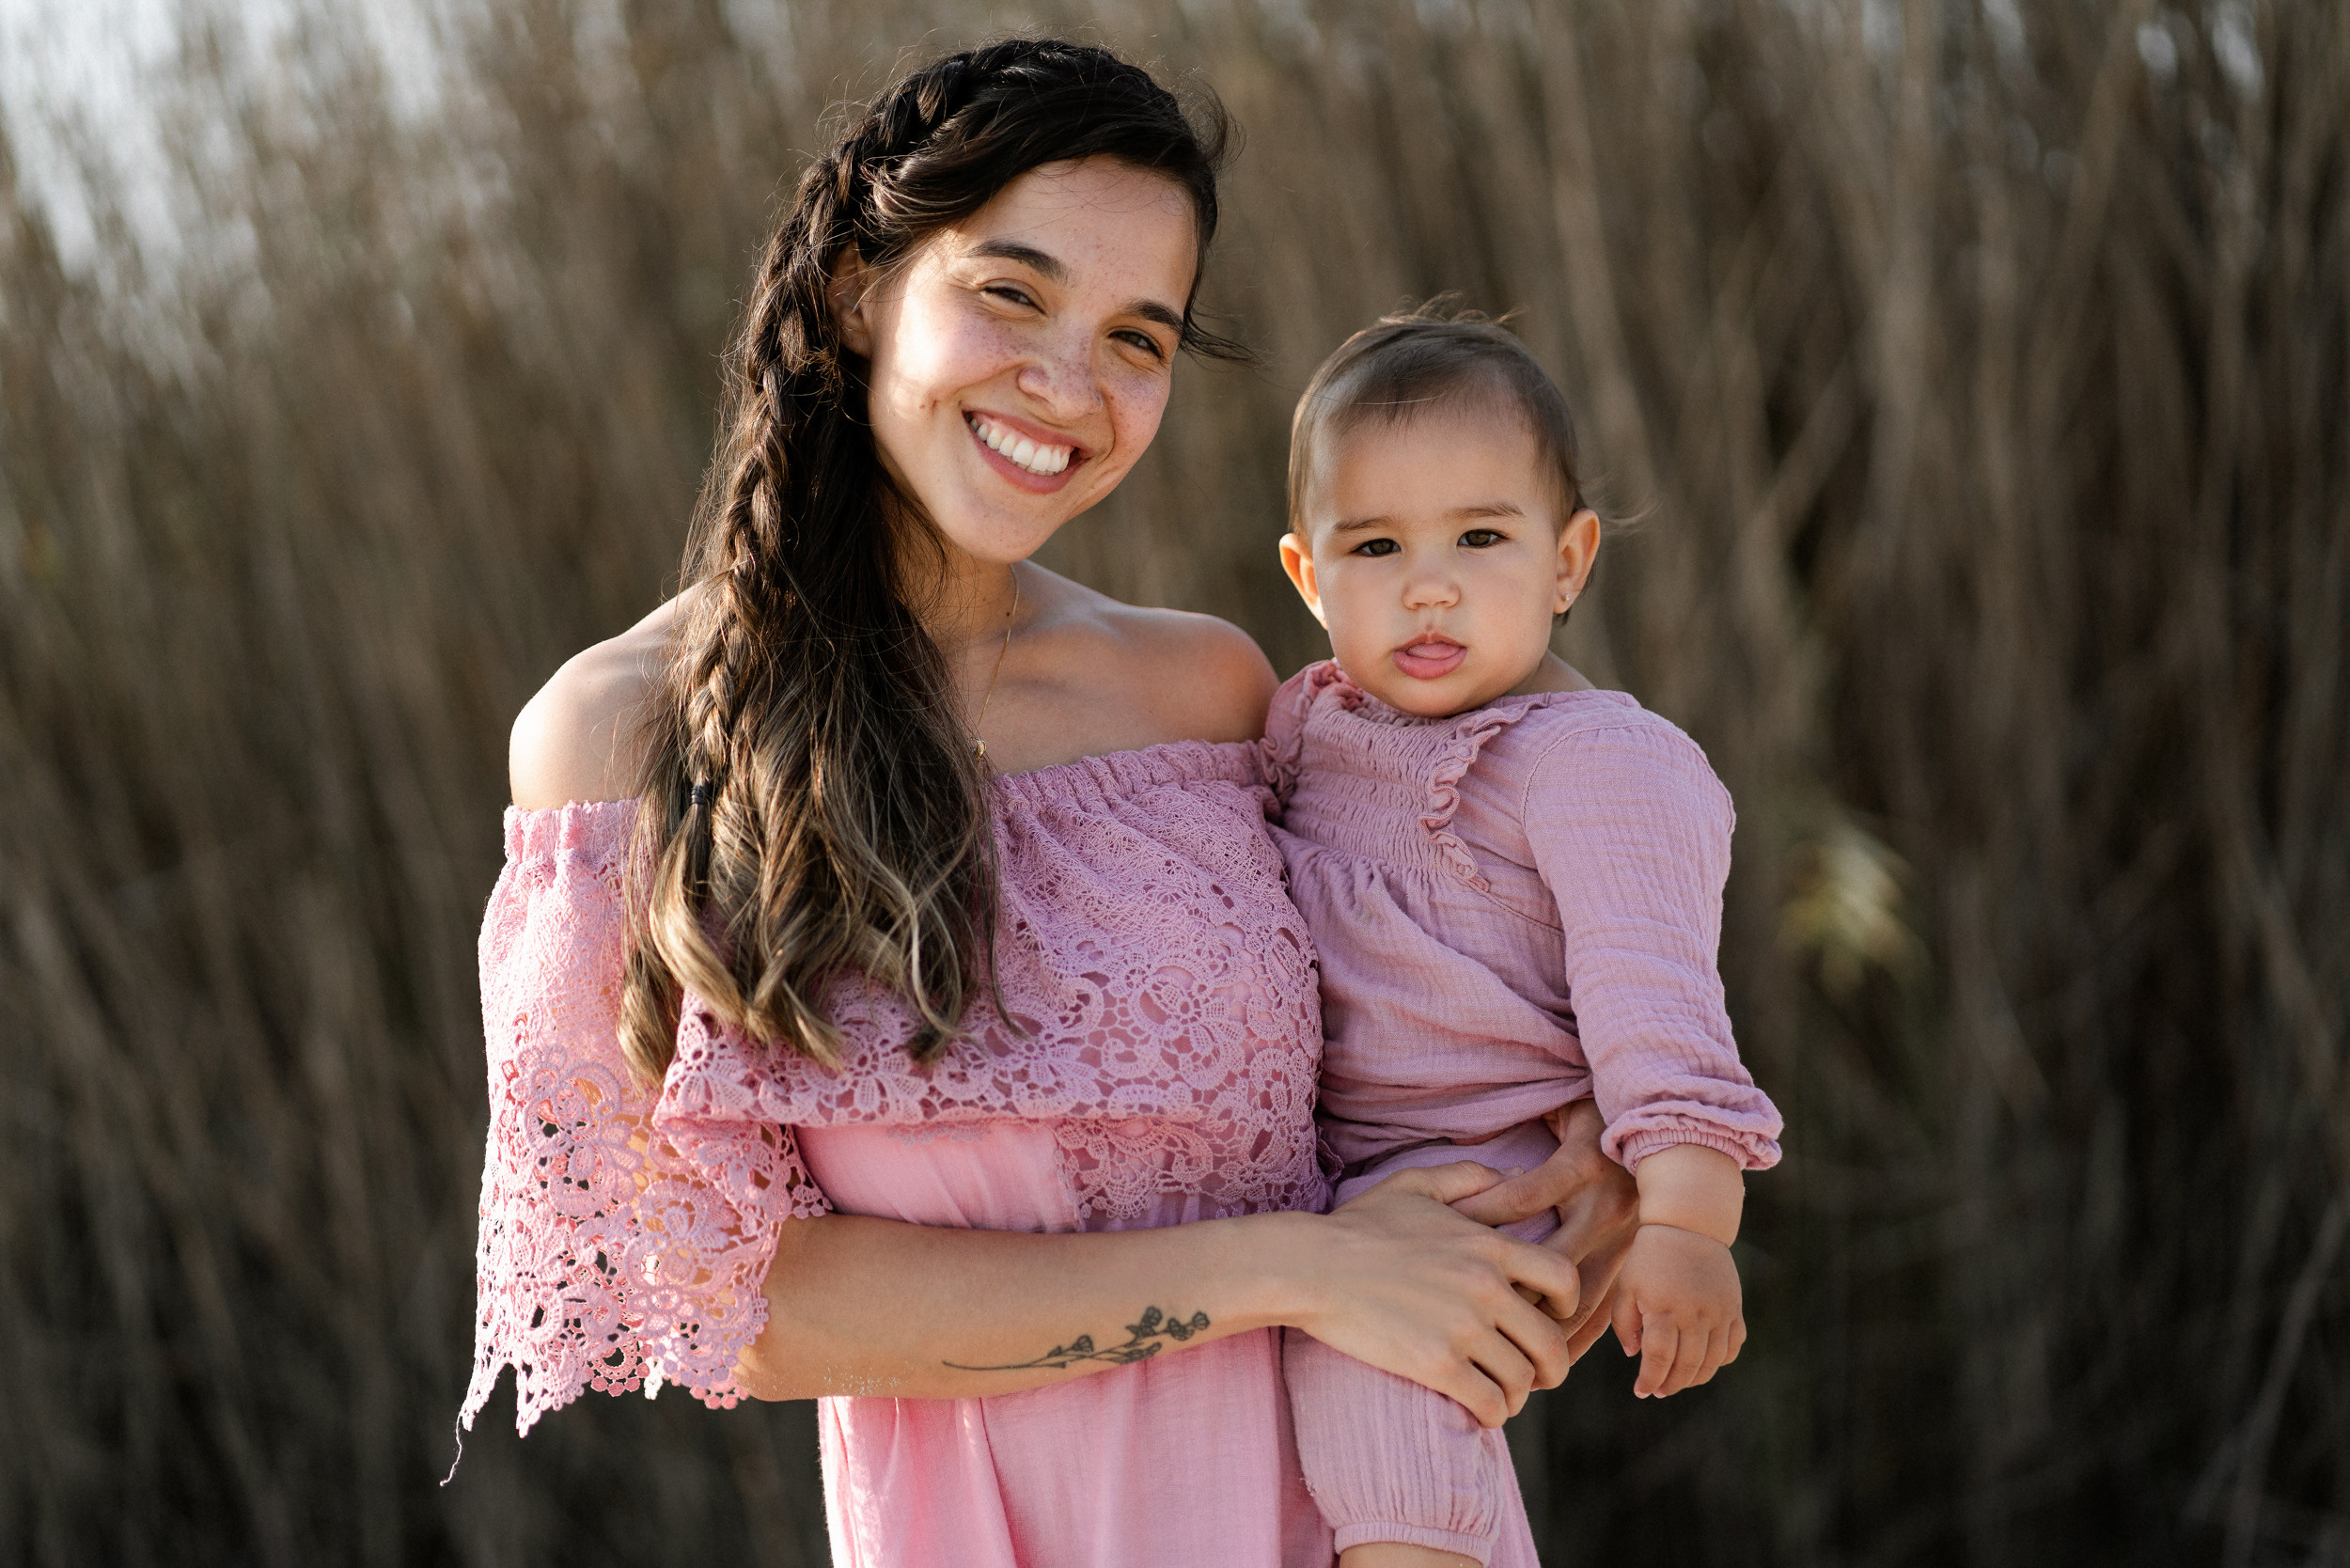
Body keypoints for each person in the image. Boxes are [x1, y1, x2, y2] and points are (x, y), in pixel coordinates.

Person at [459, 42, 1637, 1567]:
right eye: (1011, 294)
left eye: (1137, 337)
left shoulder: (1206, 693)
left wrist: (1598, 1124)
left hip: (1375, 1523)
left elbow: (1455, 924)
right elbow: (739, 1309)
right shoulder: (622, 739)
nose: (1070, 387)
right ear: (855, 290)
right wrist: (1296, 1270)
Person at [1263, 308, 1785, 1568]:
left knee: (1375, 1371)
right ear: (1308, 576)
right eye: (1376, 544)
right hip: (1330, 1181)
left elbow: (1660, 1009)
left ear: (1568, 560)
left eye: (1482, 538)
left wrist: (1685, 1228)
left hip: (1488, 1174)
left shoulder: (1603, 765)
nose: (1428, 583)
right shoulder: (1307, 729)